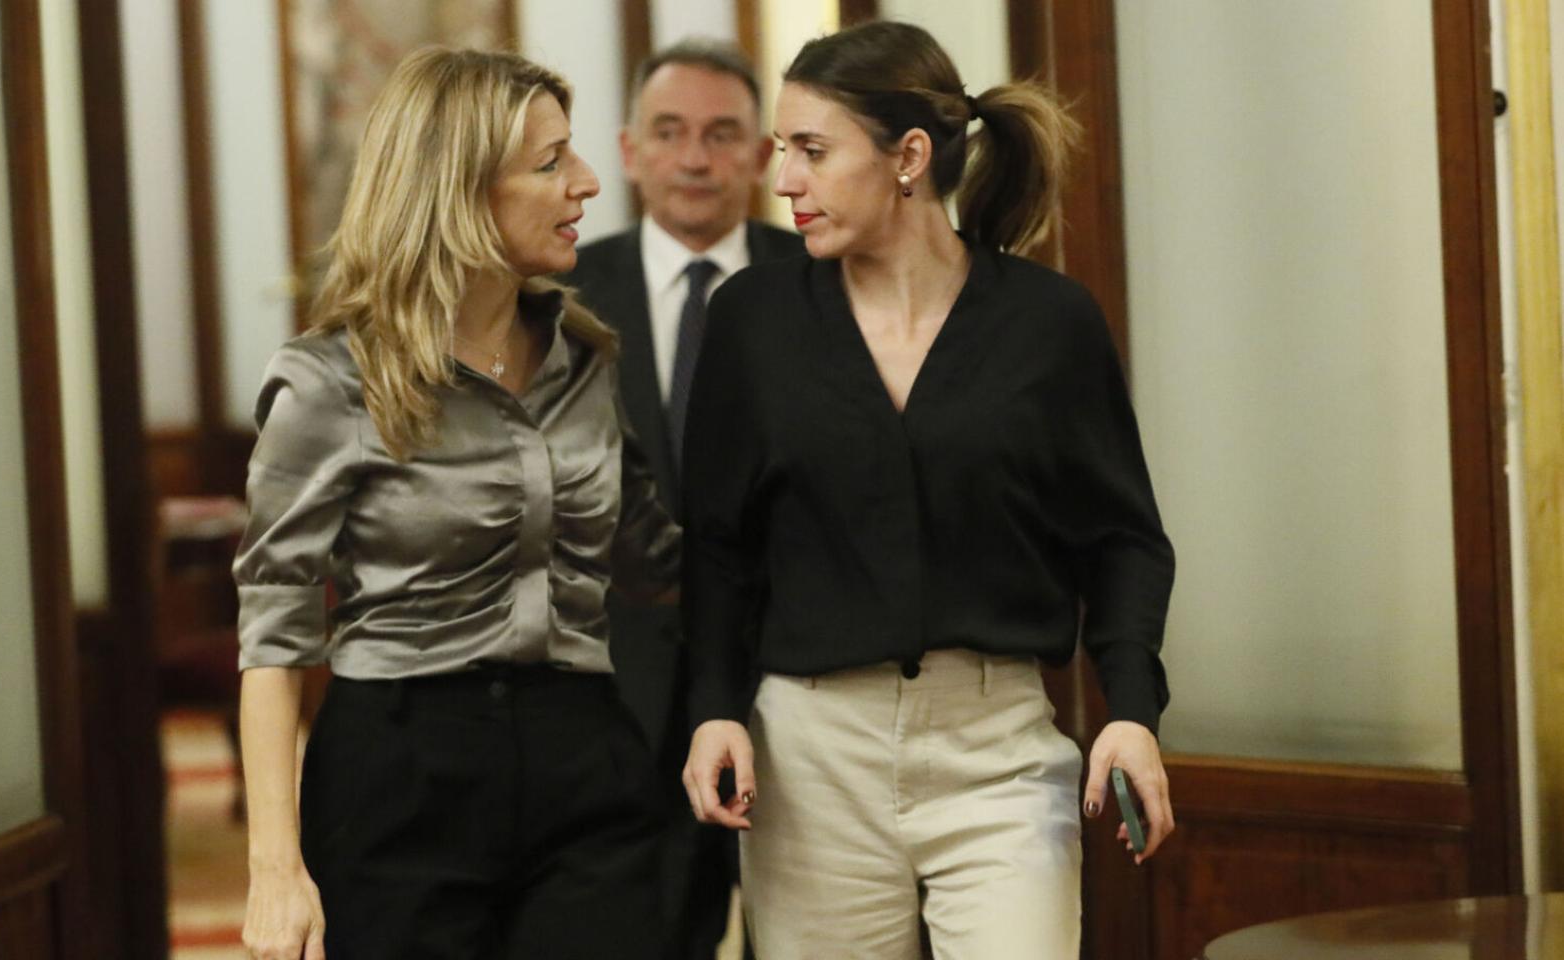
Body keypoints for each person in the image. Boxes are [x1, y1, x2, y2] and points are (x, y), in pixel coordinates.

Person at [679, 20, 1177, 959]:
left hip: (998, 754)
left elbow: (1122, 540)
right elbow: (716, 545)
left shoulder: (1050, 323)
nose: (783, 181)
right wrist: (712, 708)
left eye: (812, 151)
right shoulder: (750, 320)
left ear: (908, 157)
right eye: (783, 150)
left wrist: (1131, 712)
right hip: (810, 759)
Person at [233, 47, 679, 960]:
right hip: (401, 774)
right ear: (459, 191)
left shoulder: (585, 359)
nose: (588, 182)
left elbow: (657, 561)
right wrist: (275, 867)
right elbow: (274, 635)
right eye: (550, 162)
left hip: (584, 758)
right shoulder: (329, 383)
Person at [562, 38, 803, 960]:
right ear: (629, 152)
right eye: (669, 132)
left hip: (795, 681)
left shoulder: (822, 281)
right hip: (620, 694)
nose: (695, 158)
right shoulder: (559, 296)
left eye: (721, 134)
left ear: (763, 154)